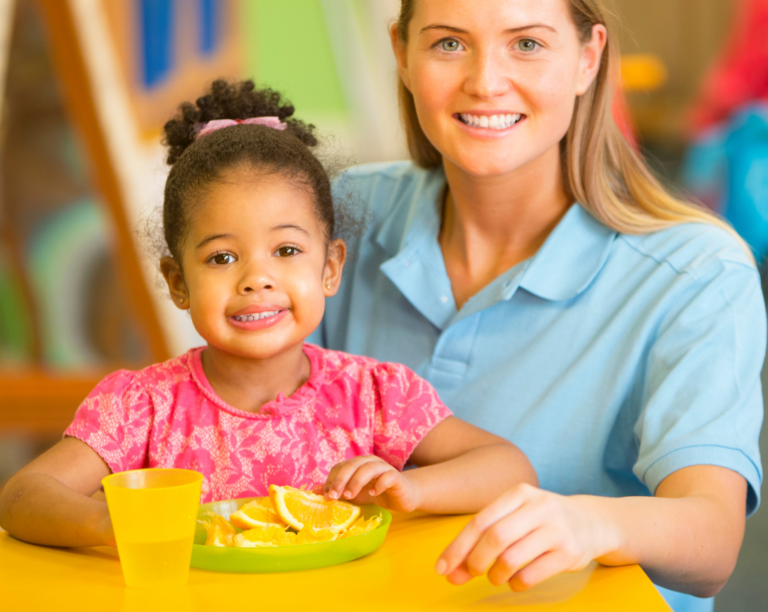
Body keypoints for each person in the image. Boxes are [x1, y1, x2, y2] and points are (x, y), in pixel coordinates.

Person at [310, 0, 765, 612]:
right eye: (449, 42)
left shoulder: (697, 274)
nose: (486, 81)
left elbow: (712, 544)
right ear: (402, 52)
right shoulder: (340, 218)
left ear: (588, 58)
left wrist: (587, 521)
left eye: (527, 43)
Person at [0, 80, 536, 549]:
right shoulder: (142, 406)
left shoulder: (373, 396)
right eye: (222, 258)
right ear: (178, 282)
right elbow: (22, 496)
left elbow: (510, 468)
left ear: (330, 268)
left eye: (286, 251)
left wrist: (413, 488)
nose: (256, 279)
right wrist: (112, 524)